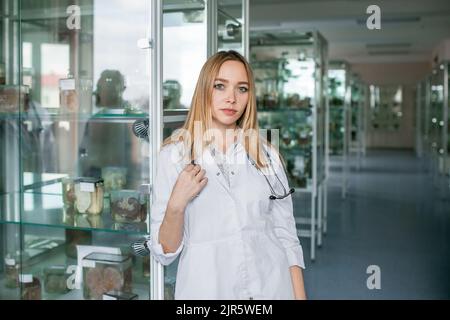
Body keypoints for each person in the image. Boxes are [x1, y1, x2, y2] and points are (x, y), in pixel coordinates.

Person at [148, 50, 306, 300]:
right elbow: (164, 252)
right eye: (220, 86)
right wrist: (176, 204)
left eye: (242, 89)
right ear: (204, 91)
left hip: (271, 287)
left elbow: (287, 236)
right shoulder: (173, 156)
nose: (231, 98)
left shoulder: (267, 155)